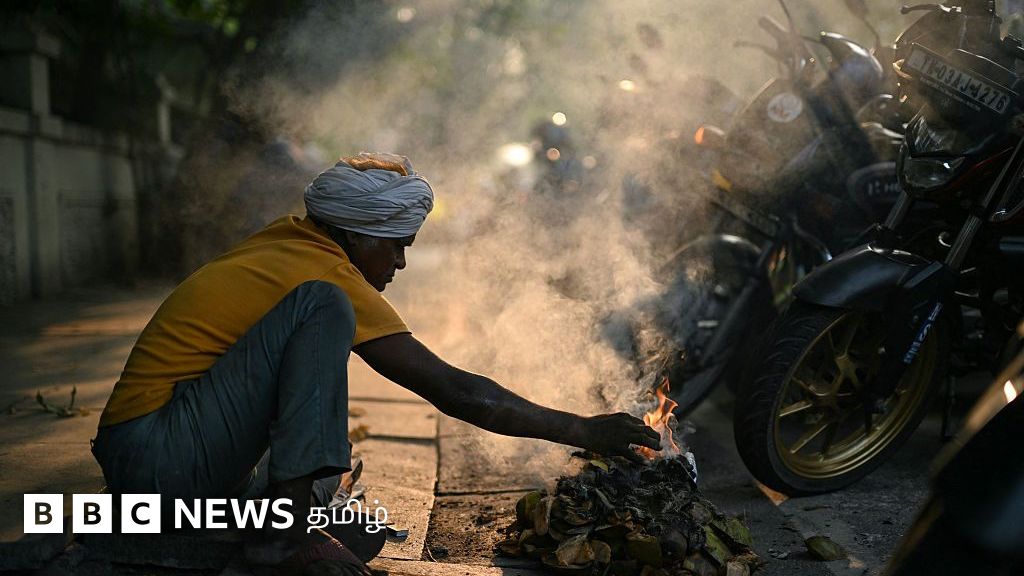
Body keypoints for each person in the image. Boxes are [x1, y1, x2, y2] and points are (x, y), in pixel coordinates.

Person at [92, 152, 661, 575]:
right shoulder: (324, 275)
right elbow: (457, 392)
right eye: (395, 244)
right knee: (325, 309)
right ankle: (290, 538)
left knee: (360, 532)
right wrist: (582, 429)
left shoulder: (296, 242)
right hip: (155, 457)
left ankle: (282, 522)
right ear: (357, 236)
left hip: (158, 456)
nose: (401, 261)